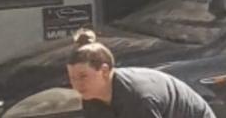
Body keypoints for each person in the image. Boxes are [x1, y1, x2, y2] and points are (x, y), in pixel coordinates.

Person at [66, 29, 216, 118]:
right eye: (72, 78)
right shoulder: (91, 96)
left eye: (83, 76)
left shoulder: (136, 97)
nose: (77, 85)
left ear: (104, 71)